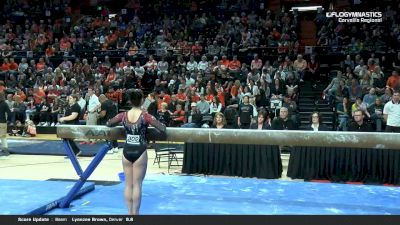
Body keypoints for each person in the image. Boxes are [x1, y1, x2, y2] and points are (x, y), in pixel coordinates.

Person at [106, 90, 166, 215]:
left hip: (127, 150)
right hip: (140, 150)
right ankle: (136, 215)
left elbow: (109, 123)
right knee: (137, 185)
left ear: (129, 101)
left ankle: (129, 214)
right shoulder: (145, 115)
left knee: (128, 185)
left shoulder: (123, 115)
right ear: (142, 100)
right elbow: (162, 128)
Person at [0, 92, 11, 156]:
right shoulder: (4, 104)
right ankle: (5, 150)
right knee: (3, 136)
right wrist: (9, 121)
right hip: (2, 122)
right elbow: (9, 113)